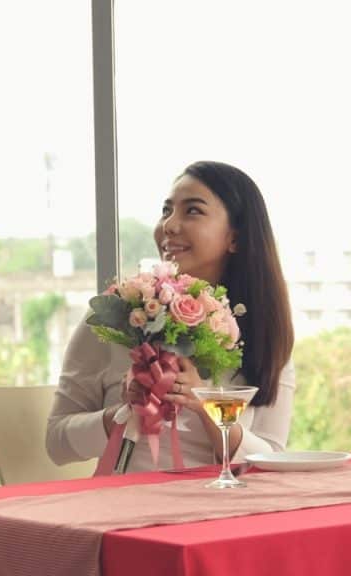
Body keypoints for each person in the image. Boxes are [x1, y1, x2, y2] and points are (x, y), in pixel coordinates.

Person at [46, 161, 296, 472]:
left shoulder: (264, 334)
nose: (169, 225)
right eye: (167, 211)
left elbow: (272, 458)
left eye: (192, 211)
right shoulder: (119, 317)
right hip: (123, 511)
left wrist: (206, 405)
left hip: (226, 511)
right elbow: (56, 444)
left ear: (235, 237)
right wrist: (123, 413)